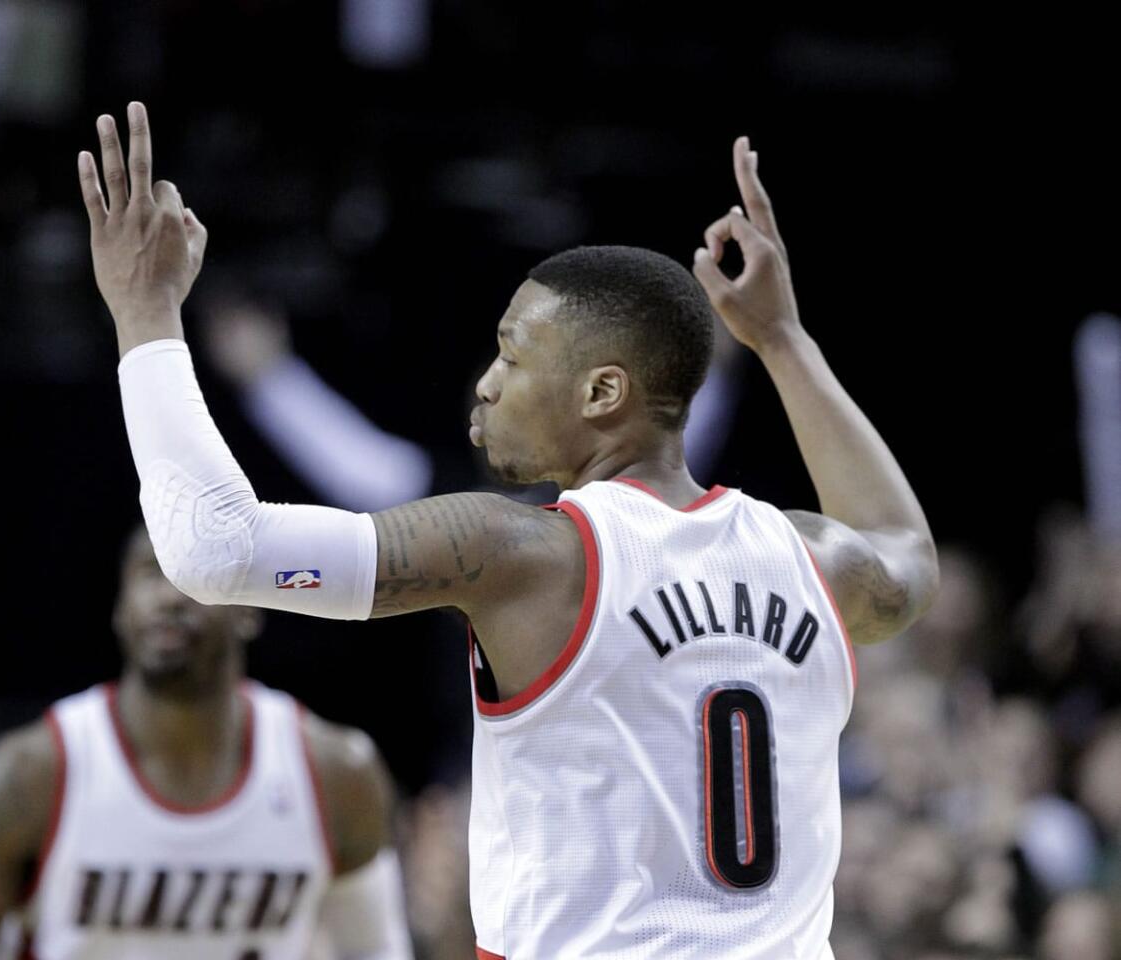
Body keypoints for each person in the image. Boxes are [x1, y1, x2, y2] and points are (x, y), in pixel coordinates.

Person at [78, 101, 940, 959]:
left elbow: (216, 548)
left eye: (513, 356)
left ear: (603, 395)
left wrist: (143, 312)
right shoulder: (810, 556)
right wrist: (783, 340)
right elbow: (906, 549)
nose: (486, 385)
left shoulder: (527, 553)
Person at [0, 526, 413, 960]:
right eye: (150, 573)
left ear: (250, 610)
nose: (169, 595)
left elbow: (375, 950)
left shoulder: (336, 773)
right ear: (120, 611)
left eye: (192, 573)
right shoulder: (31, 773)